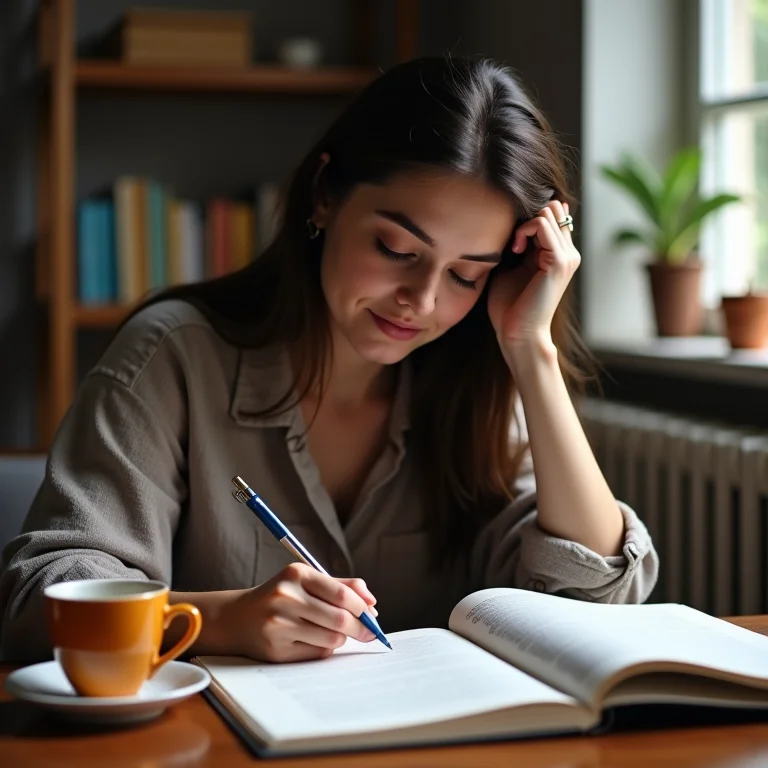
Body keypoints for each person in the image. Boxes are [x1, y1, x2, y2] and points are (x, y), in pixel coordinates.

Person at [0, 56, 658, 663]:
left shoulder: (477, 381)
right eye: (397, 248)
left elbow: (595, 600)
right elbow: (38, 603)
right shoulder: (173, 357)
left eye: (466, 274)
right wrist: (222, 620)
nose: (420, 301)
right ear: (324, 195)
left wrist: (531, 349)